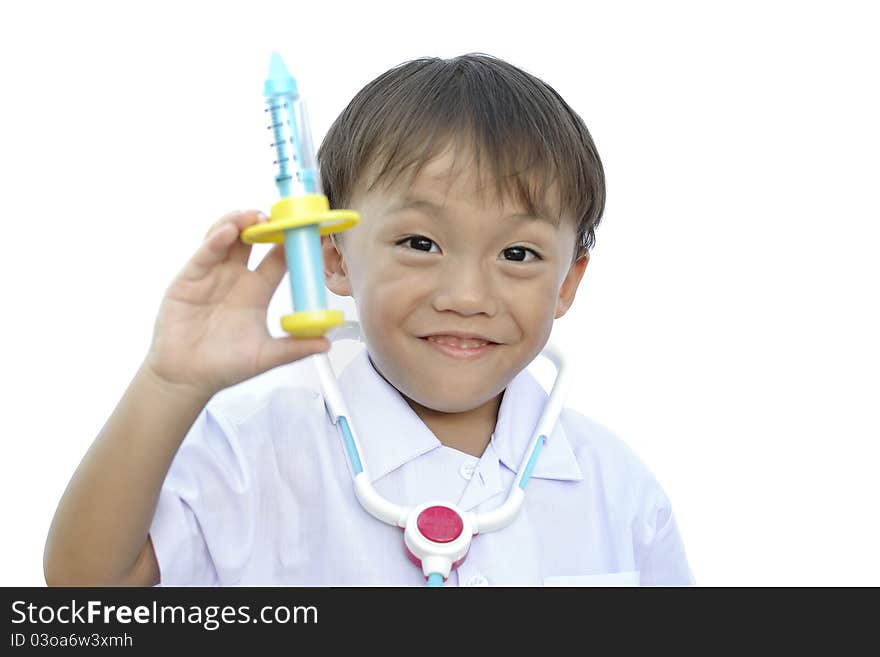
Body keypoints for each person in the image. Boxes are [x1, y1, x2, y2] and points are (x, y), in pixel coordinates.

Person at [44, 53, 694, 586]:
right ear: (335, 256)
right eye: (420, 243)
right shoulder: (254, 452)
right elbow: (84, 589)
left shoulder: (618, 489)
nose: (466, 294)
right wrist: (171, 383)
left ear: (568, 282)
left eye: (517, 253)